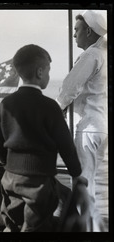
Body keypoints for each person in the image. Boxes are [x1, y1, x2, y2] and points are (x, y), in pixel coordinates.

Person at [0, 44, 88, 232]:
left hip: (10, 179)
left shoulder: (6, 104)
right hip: (38, 184)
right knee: (35, 227)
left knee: (12, 224)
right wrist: (77, 174)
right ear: (40, 72)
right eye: (48, 71)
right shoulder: (50, 106)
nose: (49, 76)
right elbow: (66, 146)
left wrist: (11, 167)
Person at [56, 10, 108, 201]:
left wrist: (54, 112)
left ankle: (84, 227)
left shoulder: (92, 54)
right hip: (101, 127)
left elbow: (69, 88)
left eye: (77, 29)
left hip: (86, 128)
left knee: (82, 184)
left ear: (88, 32)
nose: (73, 34)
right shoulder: (104, 54)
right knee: (89, 182)